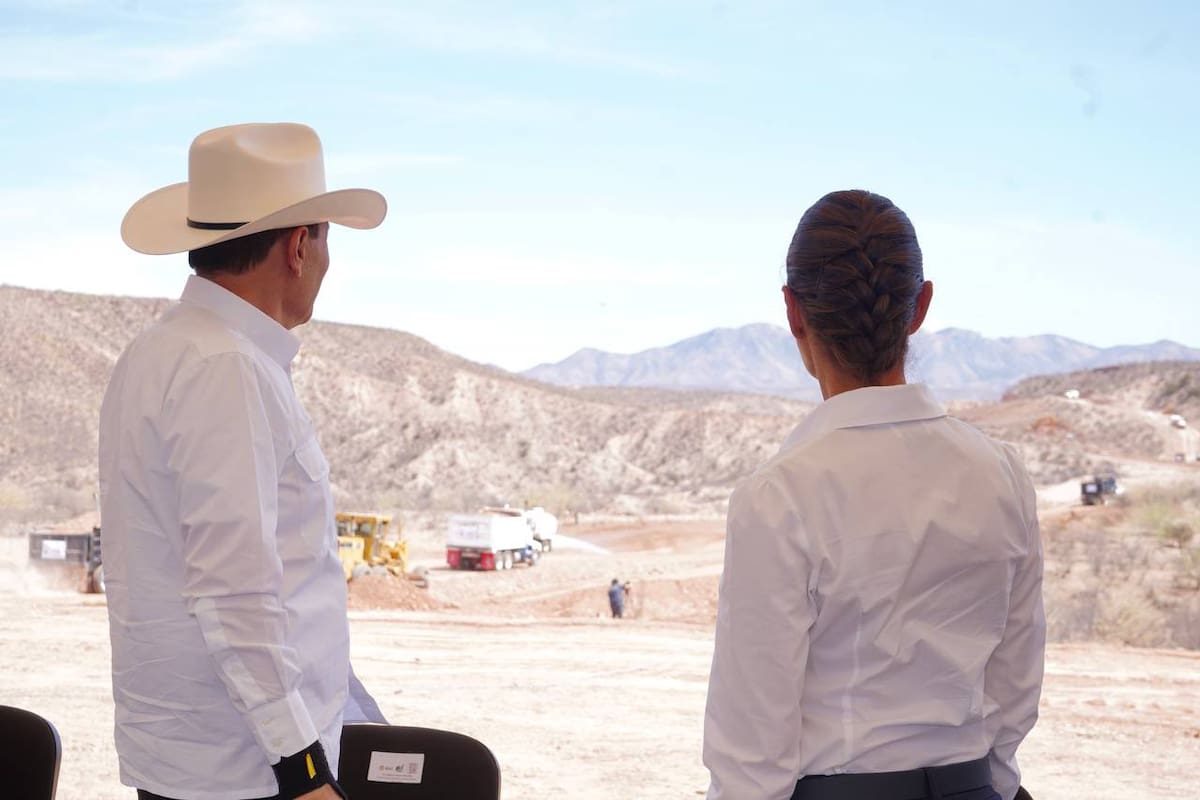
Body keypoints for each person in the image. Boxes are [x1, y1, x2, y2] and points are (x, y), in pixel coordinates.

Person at [703, 190, 1045, 800]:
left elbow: (752, 756)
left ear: (793, 312)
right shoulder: (1004, 475)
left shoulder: (779, 497)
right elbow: (1014, 688)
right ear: (920, 307)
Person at [100, 123, 388, 800]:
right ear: (298, 245)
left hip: (200, 758)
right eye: (325, 241)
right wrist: (305, 770)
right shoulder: (227, 368)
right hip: (247, 774)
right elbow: (235, 593)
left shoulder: (165, 350)